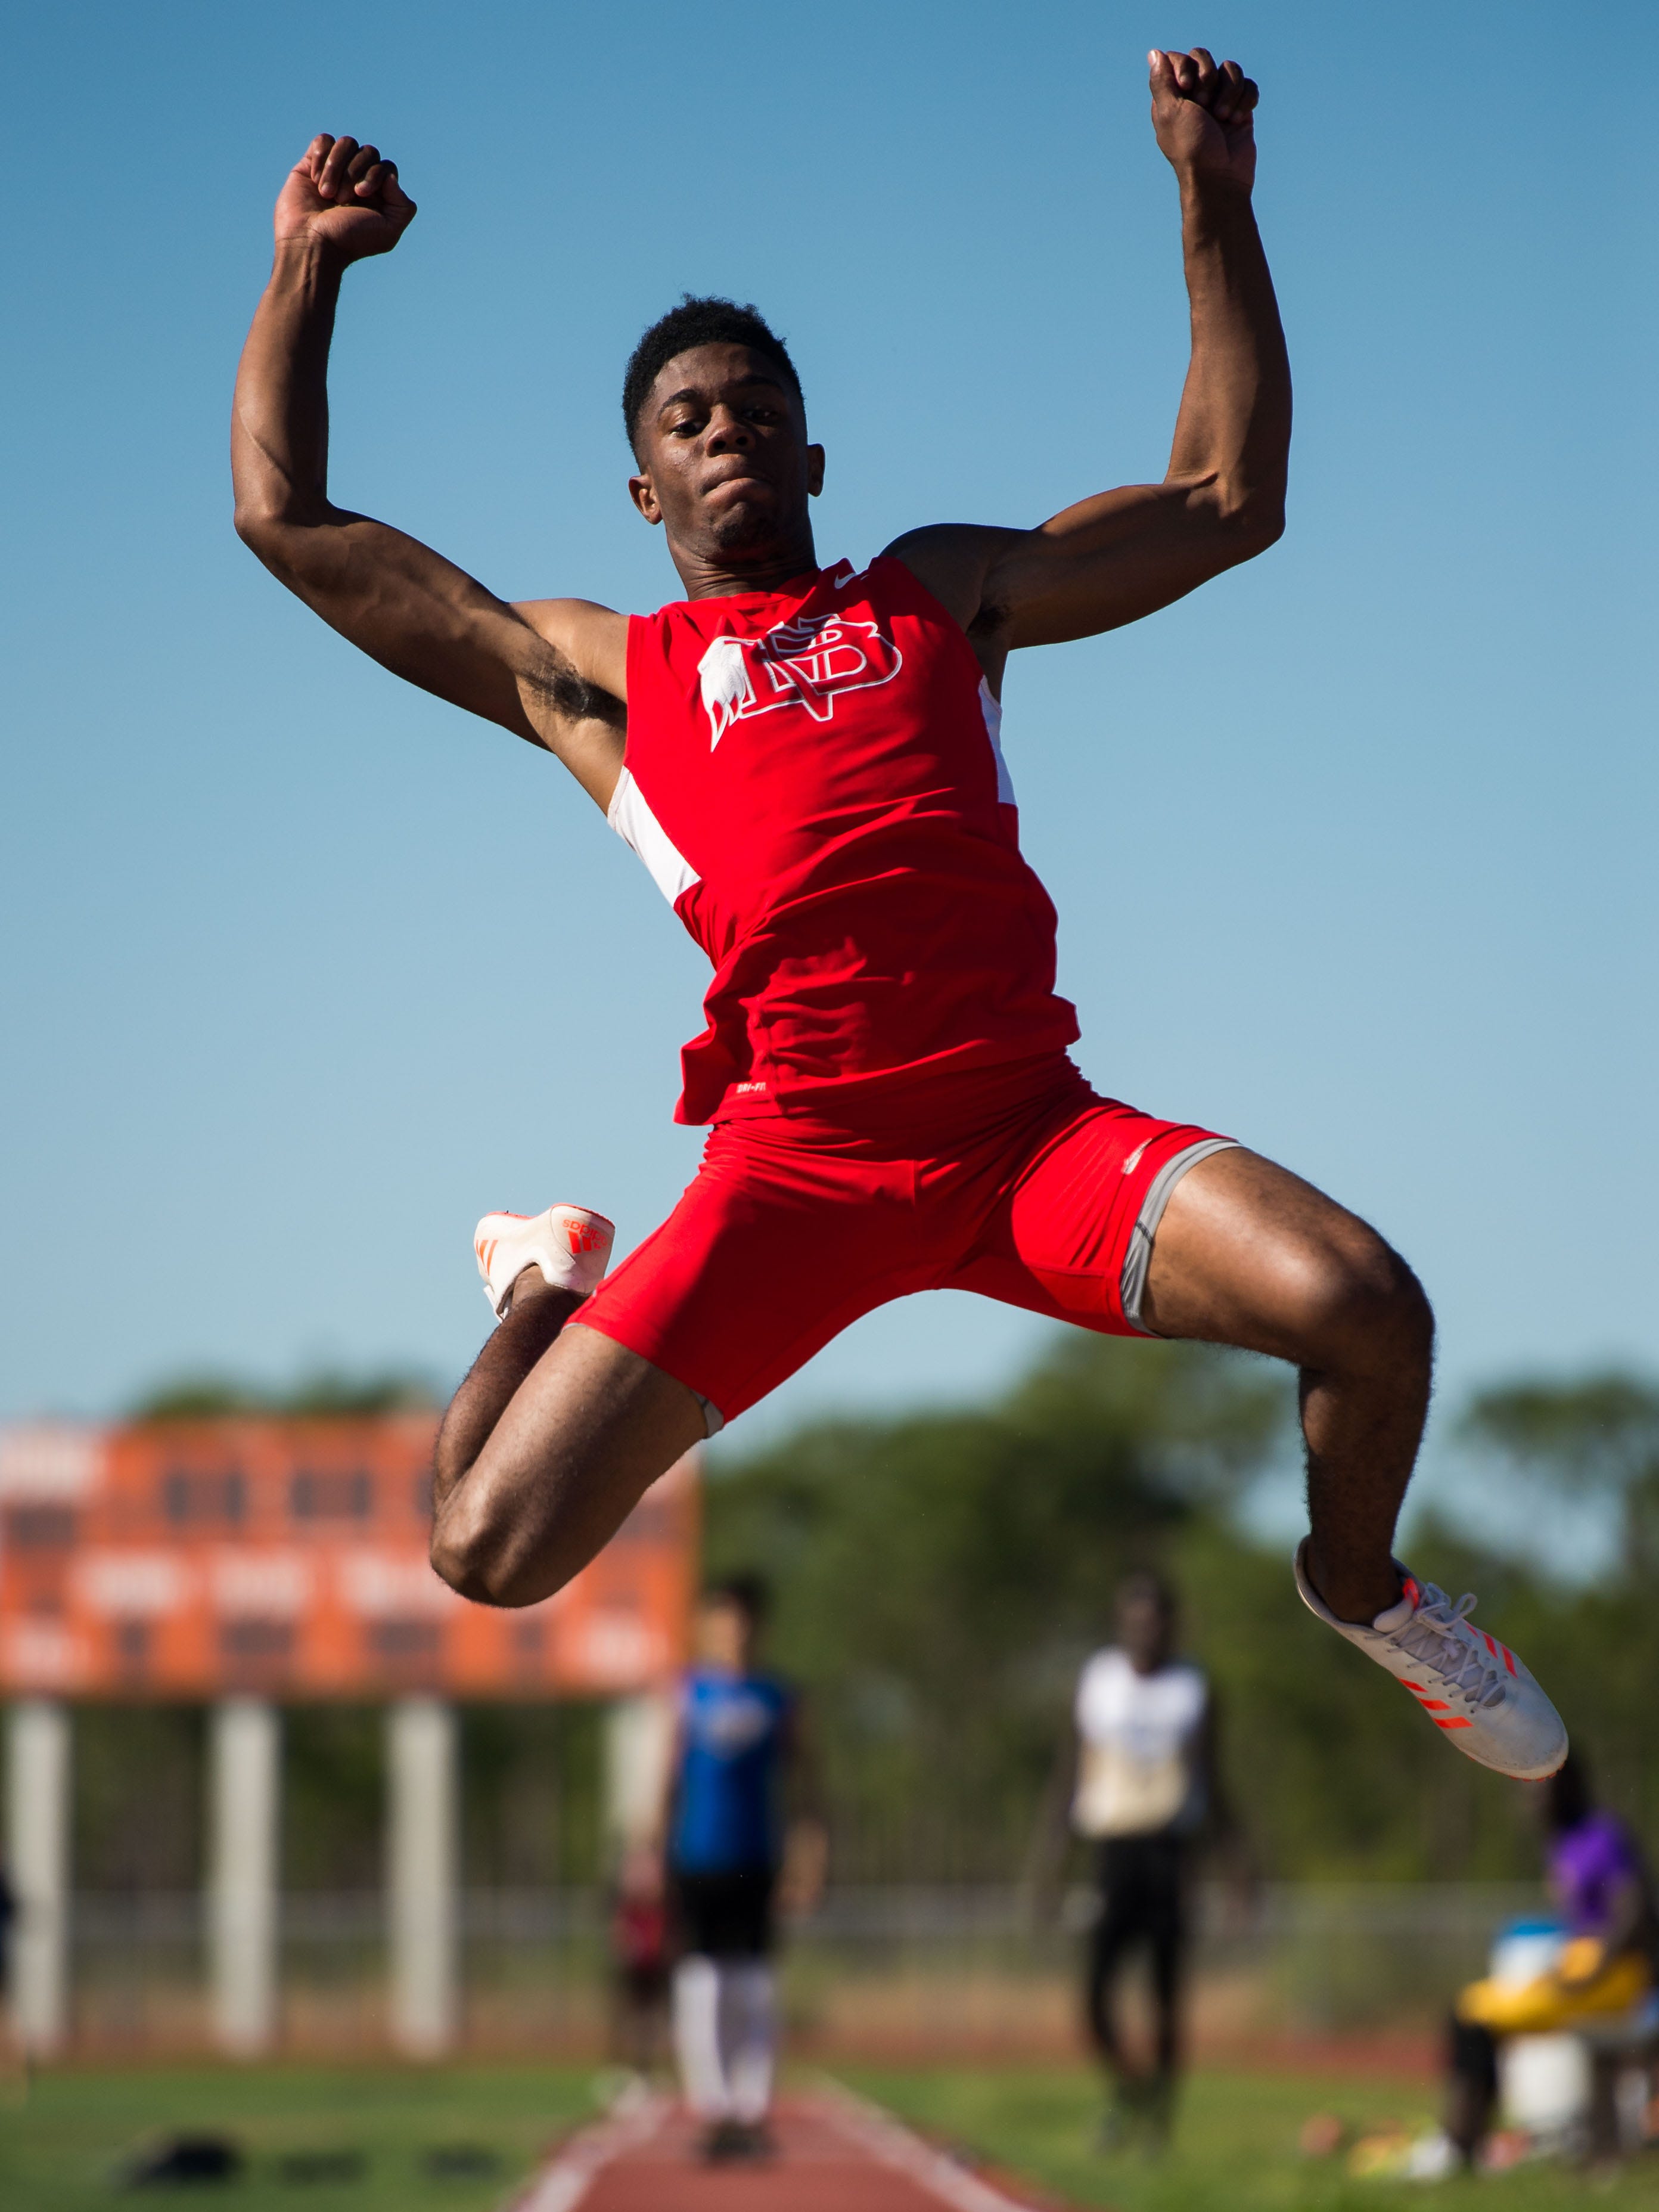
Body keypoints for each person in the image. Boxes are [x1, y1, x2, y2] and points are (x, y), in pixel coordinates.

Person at [231, 49, 1566, 1782]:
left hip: (1027, 1137)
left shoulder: (939, 591)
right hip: (796, 1172)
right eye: (687, 422)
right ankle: (540, 1278)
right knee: (484, 1547)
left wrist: (1211, 199)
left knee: (1366, 1304)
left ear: (812, 446)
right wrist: (307, 267)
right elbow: (292, 520)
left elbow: (1230, 498)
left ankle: (1356, 1581)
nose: (727, 432)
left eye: (756, 408)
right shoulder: (601, 674)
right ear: (647, 491)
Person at [1038, 1571, 1245, 2149]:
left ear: (1172, 1625)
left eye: (1155, 1619)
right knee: (1096, 1995)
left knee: (1165, 1995)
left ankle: (1159, 2121)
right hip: (1113, 1849)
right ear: (1120, 1623)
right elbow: (1068, 1776)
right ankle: (1132, 2092)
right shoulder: (1097, 1681)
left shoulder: (1193, 1687)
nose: (1145, 1630)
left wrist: (1237, 1867)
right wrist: (1050, 1864)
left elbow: (1214, 1779)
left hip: (1171, 1852)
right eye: (1134, 1618)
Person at [648, 1575, 823, 2161]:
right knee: (702, 1983)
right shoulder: (687, 1693)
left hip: (757, 1856)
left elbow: (807, 1788)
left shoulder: (779, 1697)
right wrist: (651, 1855)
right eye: (725, 1616)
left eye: (746, 1617)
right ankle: (713, 2109)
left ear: (759, 1625)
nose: (736, 1629)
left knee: (755, 1985)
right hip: (697, 1856)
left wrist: (810, 1858)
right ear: (707, 1624)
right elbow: (667, 1779)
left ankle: (752, 2109)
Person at [1444, 1755, 1658, 2168]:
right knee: (1471, 2010)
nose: (1531, 1805)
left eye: (1538, 1794)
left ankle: (1459, 2146)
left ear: (1568, 1789)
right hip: (1586, 1968)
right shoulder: (1560, 1842)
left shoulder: (1602, 1835)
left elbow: (1634, 1912)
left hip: (1616, 1976)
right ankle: (1599, 2156)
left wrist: (1592, 1971)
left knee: (1473, 2017)